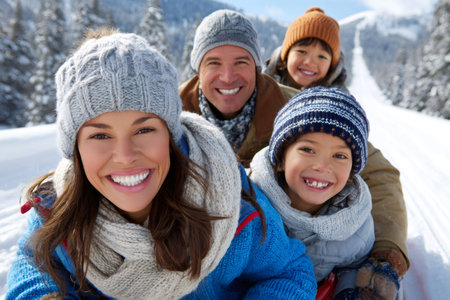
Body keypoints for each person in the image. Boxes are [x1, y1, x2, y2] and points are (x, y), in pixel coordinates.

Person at [6, 29, 317, 299]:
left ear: (169, 135)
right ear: (74, 149)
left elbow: (290, 271)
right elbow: (34, 263)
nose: (125, 156)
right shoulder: (59, 207)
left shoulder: (229, 205)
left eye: (144, 130)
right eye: (100, 136)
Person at [179, 8, 409, 300]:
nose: (228, 76)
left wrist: (387, 251)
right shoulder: (168, 119)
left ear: (256, 66)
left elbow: (379, 172)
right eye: (213, 62)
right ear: (197, 66)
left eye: (241, 62)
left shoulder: (298, 108)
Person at [250, 86, 377, 298]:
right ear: (280, 158)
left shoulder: (357, 224)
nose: (322, 166)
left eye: (340, 156)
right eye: (308, 150)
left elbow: (354, 266)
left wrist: (349, 291)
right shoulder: (247, 200)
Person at [264, 7, 346, 91]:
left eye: (321, 56)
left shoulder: (339, 102)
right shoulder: (260, 88)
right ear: (287, 55)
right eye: (302, 51)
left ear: (331, 66)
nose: (309, 63)